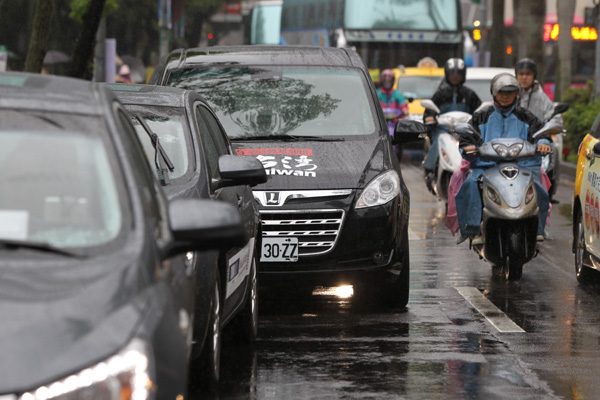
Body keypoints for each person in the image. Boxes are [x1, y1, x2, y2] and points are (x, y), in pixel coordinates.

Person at [455, 73, 552, 245]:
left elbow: (541, 133)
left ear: (517, 93)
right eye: (501, 92)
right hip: (486, 167)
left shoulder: (526, 116)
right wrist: (467, 147)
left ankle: (538, 229)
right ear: (493, 93)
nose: (505, 96)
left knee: (539, 189)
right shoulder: (481, 117)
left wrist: (543, 142)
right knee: (470, 184)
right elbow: (467, 137)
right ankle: (473, 229)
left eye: (510, 92)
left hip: (521, 167)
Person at [422, 58, 481, 182]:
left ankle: (478, 169)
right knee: (439, 138)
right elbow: (430, 109)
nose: (455, 77)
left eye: (458, 74)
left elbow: (480, 111)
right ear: (447, 75)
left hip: (464, 132)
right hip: (444, 130)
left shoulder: (469, 94)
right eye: (452, 74)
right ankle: (430, 169)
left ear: (463, 75)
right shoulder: (440, 94)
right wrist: (430, 117)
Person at [515, 58, 561, 126]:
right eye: (521, 74)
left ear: (534, 76)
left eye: (528, 74)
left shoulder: (542, 99)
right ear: (516, 76)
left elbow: (555, 119)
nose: (524, 77)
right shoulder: (509, 96)